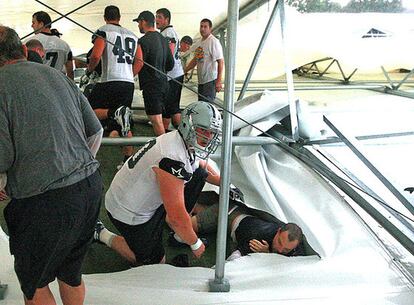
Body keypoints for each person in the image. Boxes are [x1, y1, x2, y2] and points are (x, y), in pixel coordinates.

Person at [0, 26, 103, 305]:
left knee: (34, 285)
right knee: (71, 273)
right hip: (90, 186)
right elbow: (95, 131)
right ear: (23, 50)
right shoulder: (58, 75)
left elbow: (3, 157)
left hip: (45, 201)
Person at [94, 101, 222, 266]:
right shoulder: (171, 157)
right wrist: (194, 242)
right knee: (155, 262)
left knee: (199, 174)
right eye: (203, 130)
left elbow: (202, 166)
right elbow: (176, 215)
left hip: (139, 196)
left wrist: (225, 183)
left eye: (211, 132)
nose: (208, 137)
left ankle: (180, 232)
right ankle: (102, 234)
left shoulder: (182, 140)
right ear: (187, 124)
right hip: (127, 212)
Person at [173, 188, 304, 261]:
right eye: (279, 242)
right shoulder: (260, 236)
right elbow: (233, 260)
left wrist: (269, 253)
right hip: (228, 214)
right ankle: (189, 205)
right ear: (278, 231)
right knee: (181, 231)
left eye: (286, 249)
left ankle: (199, 209)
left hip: (240, 219)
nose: (280, 250)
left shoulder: (294, 249)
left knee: (202, 215)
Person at [87, 5, 140, 165]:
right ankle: (127, 160)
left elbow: (96, 55)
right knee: (125, 122)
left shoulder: (103, 31)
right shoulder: (132, 35)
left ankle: (113, 113)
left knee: (89, 111)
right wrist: (130, 75)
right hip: (127, 82)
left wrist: (90, 70)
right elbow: (140, 61)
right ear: (119, 17)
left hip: (109, 79)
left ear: (105, 17)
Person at [132, 10, 174, 136]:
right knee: (163, 120)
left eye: (139, 22)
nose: (138, 25)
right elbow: (170, 64)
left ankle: (164, 154)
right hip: (165, 85)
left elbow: (139, 63)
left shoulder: (143, 41)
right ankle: (166, 149)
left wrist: (129, 77)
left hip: (151, 86)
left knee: (156, 121)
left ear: (143, 21)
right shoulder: (163, 39)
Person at [155, 8, 185, 131]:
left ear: (167, 19)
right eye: (156, 16)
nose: (156, 19)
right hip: (173, 75)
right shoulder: (166, 32)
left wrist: (161, 71)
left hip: (172, 76)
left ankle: (180, 137)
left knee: (170, 109)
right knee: (172, 108)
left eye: (160, 17)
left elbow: (169, 55)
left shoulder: (168, 33)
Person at [184, 18, 224, 103]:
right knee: (202, 105)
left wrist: (219, 81)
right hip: (201, 81)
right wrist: (185, 70)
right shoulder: (199, 42)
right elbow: (196, 60)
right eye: (201, 26)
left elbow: (220, 61)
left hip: (210, 80)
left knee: (207, 107)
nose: (202, 29)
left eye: (205, 27)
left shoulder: (213, 41)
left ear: (210, 28)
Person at [30, 11, 74, 79]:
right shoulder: (65, 46)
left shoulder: (29, 43)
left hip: (38, 83)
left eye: (33, 23)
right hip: (57, 84)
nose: (31, 25)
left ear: (41, 24)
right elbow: (70, 72)